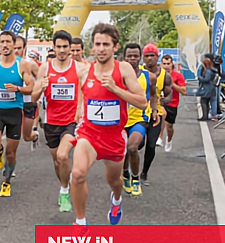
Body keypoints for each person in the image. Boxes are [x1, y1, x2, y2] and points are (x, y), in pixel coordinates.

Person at [70, 23, 147, 229]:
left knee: (114, 181)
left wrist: (116, 89)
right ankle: (80, 222)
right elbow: (82, 92)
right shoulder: (85, 71)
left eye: (106, 44)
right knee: (77, 174)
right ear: (92, 47)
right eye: (97, 44)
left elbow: (142, 101)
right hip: (89, 135)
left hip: (113, 137)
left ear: (115, 46)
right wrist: (79, 109)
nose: (101, 48)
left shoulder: (123, 69)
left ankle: (116, 200)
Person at [31, 30, 83, 212]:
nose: (61, 50)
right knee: (57, 161)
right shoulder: (45, 68)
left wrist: (80, 111)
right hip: (51, 121)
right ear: (53, 47)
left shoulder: (78, 68)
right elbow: (33, 96)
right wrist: (41, 87)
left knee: (62, 155)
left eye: (65, 47)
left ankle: (64, 191)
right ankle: (64, 183)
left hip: (72, 122)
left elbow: (87, 91)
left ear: (70, 48)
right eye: (58, 46)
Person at [0, 30, 35, 197]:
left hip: (15, 113)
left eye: (8, 42)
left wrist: (18, 89)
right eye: (2, 42)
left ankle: (7, 181)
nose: (4, 45)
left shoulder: (22, 65)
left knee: (12, 154)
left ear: (13, 44)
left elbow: (31, 87)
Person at [120, 43, 156, 197]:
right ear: (124, 57)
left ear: (140, 57)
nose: (132, 58)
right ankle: (125, 174)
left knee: (132, 147)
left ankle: (135, 178)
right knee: (121, 153)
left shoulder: (149, 77)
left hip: (139, 120)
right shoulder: (117, 76)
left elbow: (153, 95)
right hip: (120, 121)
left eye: (135, 55)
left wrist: (154, 110)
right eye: (129, 55)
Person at [139, 44, 171, 185]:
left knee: (151, 145)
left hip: (155, 113)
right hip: (138, 112)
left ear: (157, 57)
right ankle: (127, 170)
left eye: (152, 55)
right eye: (147, 56)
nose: (150, 58)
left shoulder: (165, 75)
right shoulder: (137, 72)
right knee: (136, 145)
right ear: (143, 58)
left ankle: (144, 173)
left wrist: (165, 100)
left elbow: (169, 94)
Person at [17, 35, 41, 149]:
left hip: (28, 102)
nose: (16, 51)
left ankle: (34, 136)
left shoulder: (31, 64)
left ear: (24, 48)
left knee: (26, 136)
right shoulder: (5, 64)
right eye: (14, 47)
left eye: (19, 48)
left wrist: (35, 93)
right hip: (12, 102)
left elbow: (41, 79)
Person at [158, 54, 187, 152]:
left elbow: (184, 91)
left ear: (172, 64)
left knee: (169, 127)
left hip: (172, 103)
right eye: (164, 63)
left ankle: (169, 140)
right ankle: (159, 137)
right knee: (162, 115)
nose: (166, 65)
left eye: (168, 63)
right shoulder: (157, 74)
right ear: (161, 64)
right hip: (160, 102)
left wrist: (172, 84)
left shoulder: (178, 76)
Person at [197, 54, 218, 122]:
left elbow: (206, 79)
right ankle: (206, 115)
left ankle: (204, 116)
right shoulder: (213, 70)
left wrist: (199, 78)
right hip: (211, 88)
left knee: (203, 101)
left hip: (207, 88)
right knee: (207, 102)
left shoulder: (208, 71)